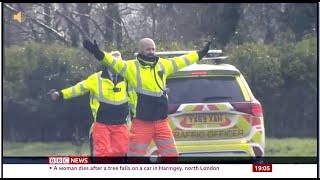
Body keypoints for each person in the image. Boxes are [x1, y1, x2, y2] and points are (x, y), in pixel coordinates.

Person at [83, 38, 210, 162]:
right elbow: (113, 62)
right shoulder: (131, 67)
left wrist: (200, 53)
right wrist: (97, 53)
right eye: (148, 49)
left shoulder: (163, 65)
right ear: (141, 51)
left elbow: (183, 60)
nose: (151, 51)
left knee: (171, 157)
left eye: (153, 49)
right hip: (142, 123)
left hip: (161, 123)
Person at [49, 51, 130, 163]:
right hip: (102, 124)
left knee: (121, 153)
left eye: (119, 62)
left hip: (121, 124)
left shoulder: (127, 78)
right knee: (102, 155)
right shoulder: (96, 79)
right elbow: (78, 89)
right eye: (114, 62)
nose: (117, 65)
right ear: (107, 63)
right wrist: (61, 94)